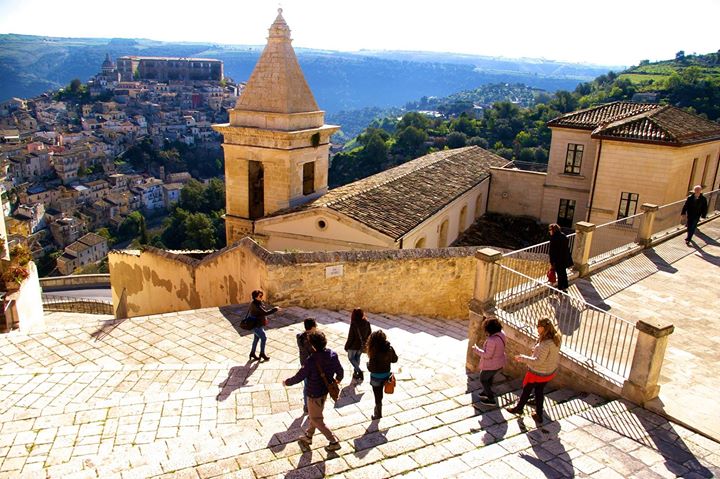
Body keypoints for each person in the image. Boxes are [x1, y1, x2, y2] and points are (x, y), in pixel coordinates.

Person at [283, 330, 343, 451]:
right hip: (325, 391)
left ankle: (333, 441)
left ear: (312, 345)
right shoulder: (332, 354)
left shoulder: (310, 361)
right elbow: (340, 372)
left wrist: (287, 382)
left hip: (313, 393)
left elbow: (299, 376)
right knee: (314, 414)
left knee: (316, 419)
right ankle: (308, 436)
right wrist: (336, 381)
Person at [506, 317, 561, 424]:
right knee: (539, 391)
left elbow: (538, 361)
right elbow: (548, 354)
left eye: (538, 326)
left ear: (543, 328)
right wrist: (537, 350)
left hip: (539, 372)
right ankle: (537, 414)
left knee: (527, 390)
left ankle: (520, 408)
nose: (537, 328)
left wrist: (522, 358)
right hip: (549, 371)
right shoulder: (556, 338)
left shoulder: (545, 344)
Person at [471, 317, 506, 406]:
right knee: (489, 378)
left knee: (483, 379)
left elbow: (487, 355)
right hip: (499, 362)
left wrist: (476, 350)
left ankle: (491, 399)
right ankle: (485, 392)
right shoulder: (501, 334)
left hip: (491, 364)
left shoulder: (492, 340)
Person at [366, 330, 398, 420]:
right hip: (386, 376)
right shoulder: (389, 348)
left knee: (377, 396)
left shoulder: (373, 351)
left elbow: (371, 368)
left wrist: (367, 365)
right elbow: (395, 359)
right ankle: (378, 410)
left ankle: (378, 414)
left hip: (376, 377)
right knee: (380, 395)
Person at [248, 290, 280, 362]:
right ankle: (262, 353)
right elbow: (265, 313)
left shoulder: (258, 303)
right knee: (264, 338)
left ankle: (252, 353)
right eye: (260, 296)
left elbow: (262, 313)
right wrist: (275, 309)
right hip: (256, 325)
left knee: (256, 339)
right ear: (255, 297)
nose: (262, 297)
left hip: (258, 324)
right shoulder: (255, 305)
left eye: (262, 295)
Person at [296, 318, 317, 414]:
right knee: (310, 385)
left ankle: (306, 405)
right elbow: (315, 352)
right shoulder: (311, 340)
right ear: (312, 327)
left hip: (303, 363)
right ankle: (310, 405)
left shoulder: (299, 336)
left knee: (306, 385)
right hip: (311, 365)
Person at [344, 308, 372, 382]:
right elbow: (369, 334)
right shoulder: (367, 322)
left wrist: (346, 346)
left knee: (351, 358)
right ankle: (355, 372)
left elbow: (351, 337)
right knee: (357, 357)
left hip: (353, 346)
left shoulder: (354, 324)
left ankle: (359, 371)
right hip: (361, 346)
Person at [548, 223, 573, 292]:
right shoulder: (563, 236)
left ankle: (557, 288)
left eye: (550, 230)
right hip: (564, 258)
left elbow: (552, 251)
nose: (549, 231)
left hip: (557, 259)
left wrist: (552, 261)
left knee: (555, 273)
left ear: (553, 230)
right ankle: (564, 288)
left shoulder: (554, 238)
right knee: (563, 273)